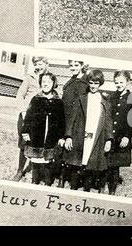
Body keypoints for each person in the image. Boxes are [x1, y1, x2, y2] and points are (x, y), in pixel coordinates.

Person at [64, 70, 114, 192]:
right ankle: (73, 188)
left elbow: (108, 122)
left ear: (100, 84)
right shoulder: (81, 99)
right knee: (77, 164)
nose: (93, 86)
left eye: (96, 83)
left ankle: (86, 190)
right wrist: (69, 136)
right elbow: (72, 119)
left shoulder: (104, 102)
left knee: (90, 165)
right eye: (91, 83)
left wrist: (108, 139)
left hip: (95, 138)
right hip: (80, 136)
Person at [21, 73, 65, 185]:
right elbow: (28, 117)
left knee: (48, 161)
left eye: (49, 82)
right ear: (40, 83)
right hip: (37, 135)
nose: (46, 84)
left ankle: (47, 182)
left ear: (53, 84)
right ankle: (35, 181)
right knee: (36, 161)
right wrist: (25, 131)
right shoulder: (36, 99)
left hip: (51, 136)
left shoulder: (58, 101)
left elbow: (61, 121)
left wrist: (61, 136)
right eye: (43, 81)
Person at [13, 56, 49, 182]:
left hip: (41, 118)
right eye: (36, 64)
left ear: (46, 64)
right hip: (26, 116)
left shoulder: (49, 79)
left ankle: (37, 172)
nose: (38, 67)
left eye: (40, 64)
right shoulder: (29, 78)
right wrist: (23, 111)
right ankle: (19, 171)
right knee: (24, 144)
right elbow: (20, 95)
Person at [106, 70, 132, 195]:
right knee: (105, 163)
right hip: (109, 136)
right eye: (116, 82)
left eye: (121, 82)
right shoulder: (111, 97)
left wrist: (127, 136)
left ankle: (112, 191)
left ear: (128, 82)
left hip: (121, 138)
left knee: (114, 166)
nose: (119, 84)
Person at [59, 60, 90, 188]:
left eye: (76, 65)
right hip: (65, 119)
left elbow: (81, 107)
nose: (73, 68)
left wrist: (70, 131)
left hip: (77, 122)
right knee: (62, 150)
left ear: (82, 66)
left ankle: (73, 182)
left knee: (73, 152)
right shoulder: (71, 81)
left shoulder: (84, 83)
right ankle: (61, 178)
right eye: (71, 65)